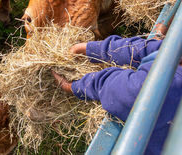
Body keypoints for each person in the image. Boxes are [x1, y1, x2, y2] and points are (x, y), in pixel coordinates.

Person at [52, 35, 182, 155]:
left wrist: (77, 86)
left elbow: (131, 92)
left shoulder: (171, 86)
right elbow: (158, 48)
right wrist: (96, 49)